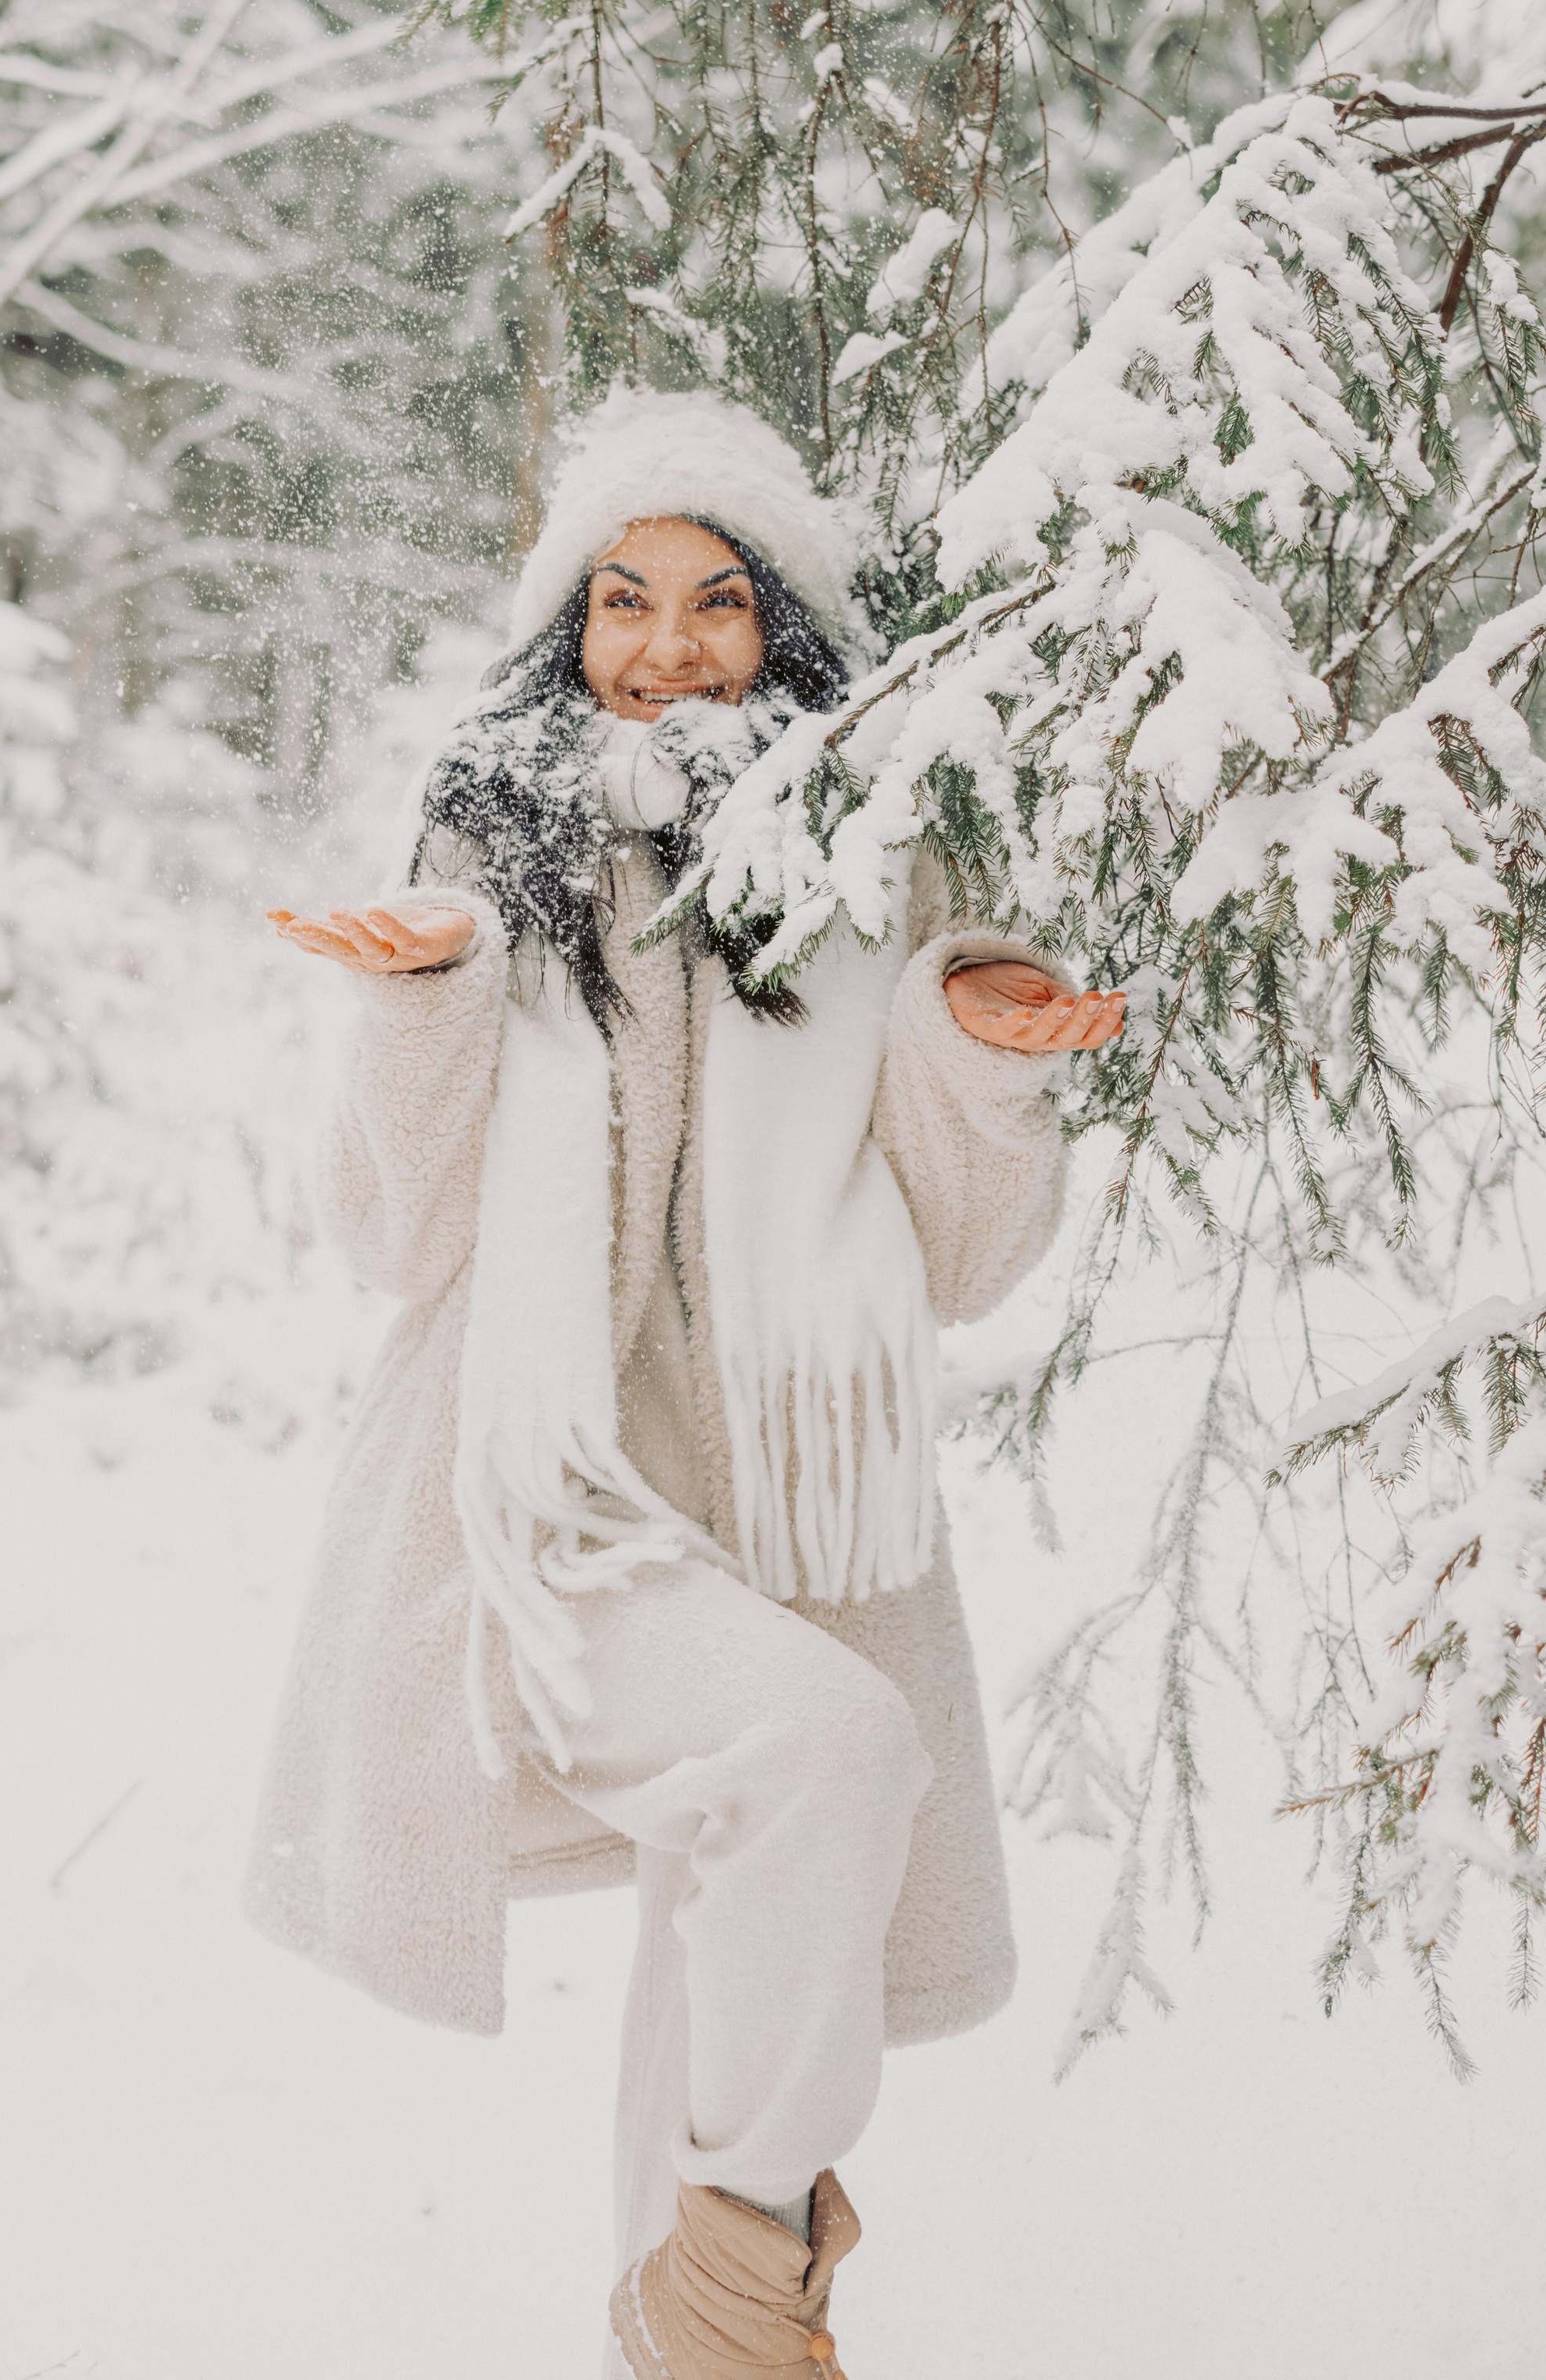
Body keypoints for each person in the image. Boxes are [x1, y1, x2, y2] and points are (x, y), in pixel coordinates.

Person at [257, 389, 1123, 2380]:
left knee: (729, 1934)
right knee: (821, 1760)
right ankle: (745, 2321)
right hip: (543, 1509)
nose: (663, 647)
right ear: (562, 625)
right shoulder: (488, 853)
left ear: (781, 626)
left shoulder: (879, 866)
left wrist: (975, 1056)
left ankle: (683, 2327)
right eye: (619, 600)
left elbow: (968, 1264)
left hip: (792, 1510)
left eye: (716, 604)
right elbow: (386, 1241)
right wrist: (420, 1009)